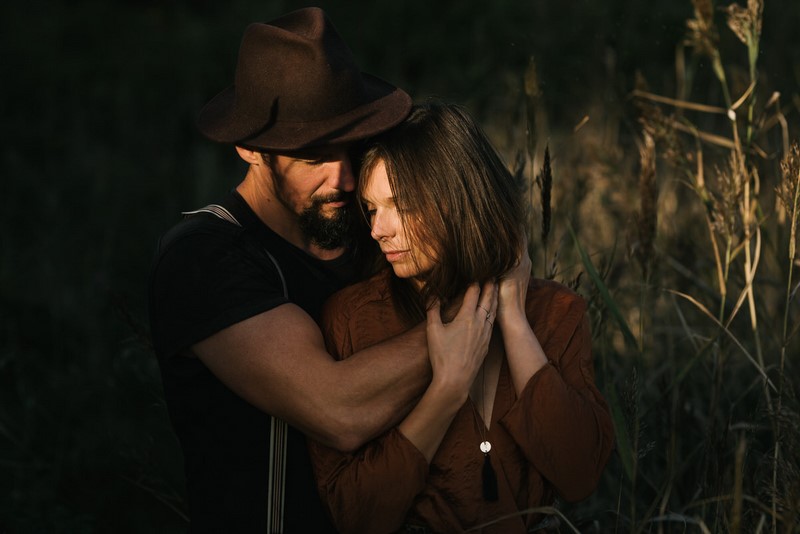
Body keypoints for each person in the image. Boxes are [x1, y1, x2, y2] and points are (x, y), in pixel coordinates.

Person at [148, 9, 498, 533]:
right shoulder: (202, 257)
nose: (346, 179)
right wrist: (478, 304)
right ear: (250, 147)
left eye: (351, 148)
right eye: (315, 157)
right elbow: (338, 411)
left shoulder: (370, 232)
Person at [309, 101, 616, 533]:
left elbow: (579, 473)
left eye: (401, 205)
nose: (379, 229)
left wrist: (512, 319)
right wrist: (447, 390)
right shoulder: (354, 320)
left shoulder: (557, 313)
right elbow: (355, 515)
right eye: (372, 209)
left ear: (459, 200)